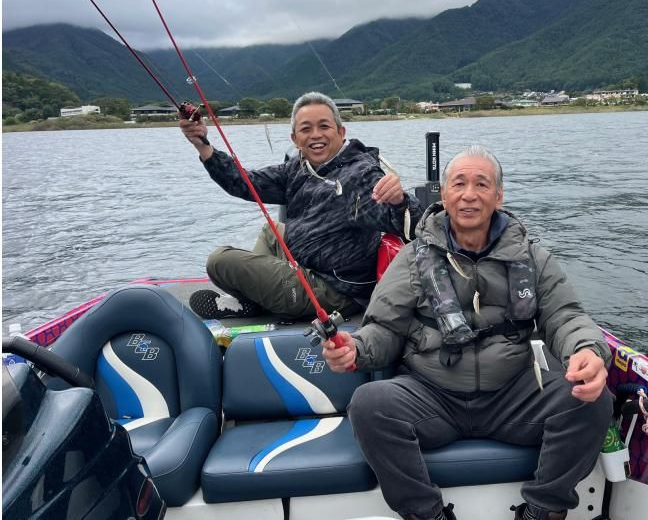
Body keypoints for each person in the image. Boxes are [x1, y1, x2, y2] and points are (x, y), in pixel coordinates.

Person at [323, 145, 613, 520]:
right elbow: (382, 329)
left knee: (592, 400)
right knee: (369, 404)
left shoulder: (533, 257)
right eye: (459, 183)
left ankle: (544, 508)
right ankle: (426, 512)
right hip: (431, 397)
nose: (469, 194)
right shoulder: (412, 259)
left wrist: (586, 349)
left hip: (514, 397)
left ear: (499, 195)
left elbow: (566, 316)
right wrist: (356, 349)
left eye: (482, 184)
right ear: (444, 194)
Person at [179, 91, 423, 320]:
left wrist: (400, 201)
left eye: (324, 126)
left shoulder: (360, 175)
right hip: (303, 265)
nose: (315, 135)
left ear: (341, 132)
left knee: (219, 260)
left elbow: (412, 226)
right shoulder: (299, 168)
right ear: (295, 139)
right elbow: (244, 183)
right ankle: (256, 300)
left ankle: (253, 301)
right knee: (271, 231)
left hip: (334, 291)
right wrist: (203, 146)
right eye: (306, 129)